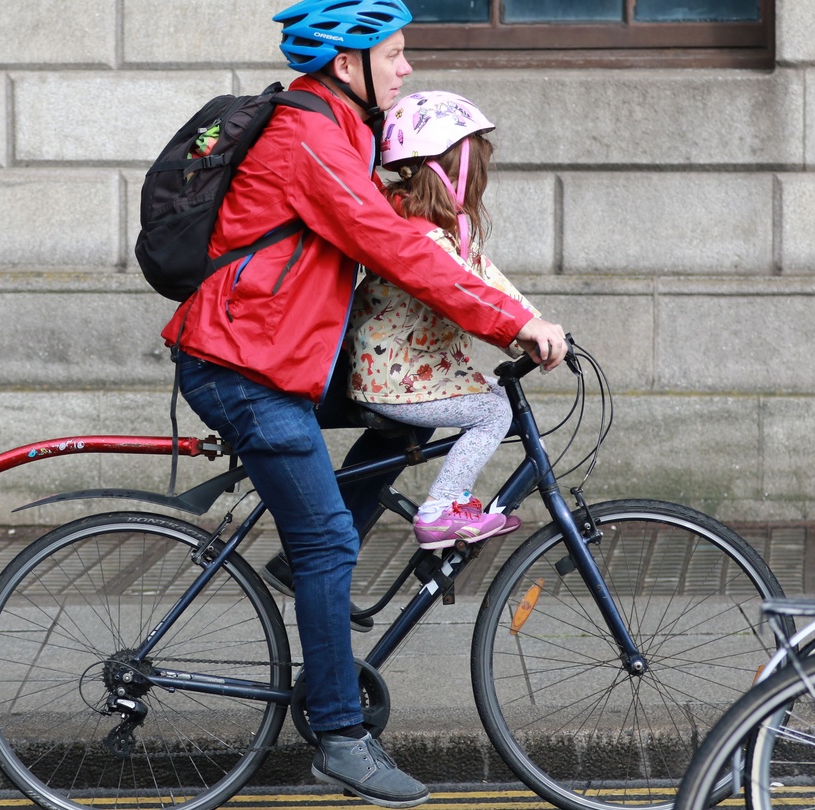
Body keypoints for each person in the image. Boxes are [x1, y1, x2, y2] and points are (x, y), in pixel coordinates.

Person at [159, 1, 568, 806]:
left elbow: (410, 233)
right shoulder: (308, 137)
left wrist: (507, 312)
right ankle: (341, 739)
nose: (407, 68)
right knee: (327, 548)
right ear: (349, 65)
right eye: (396, 54)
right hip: (242, 366)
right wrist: (513, 323)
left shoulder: (340, 132)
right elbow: (395, 247)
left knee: (397, 431)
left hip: (276, 359)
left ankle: (323, 625)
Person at [348, 90, 535, 548]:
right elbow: (463, 293)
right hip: (395, 381)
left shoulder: (422, 226)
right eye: (479, 173)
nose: (482, 184)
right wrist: (523, 331)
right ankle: (442, 509)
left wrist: (533, 324)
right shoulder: (425, 238)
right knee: (494, 411)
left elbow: (483, 275)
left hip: (402, 374)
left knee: (487, 395)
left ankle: (448, 505)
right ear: (455, 178)